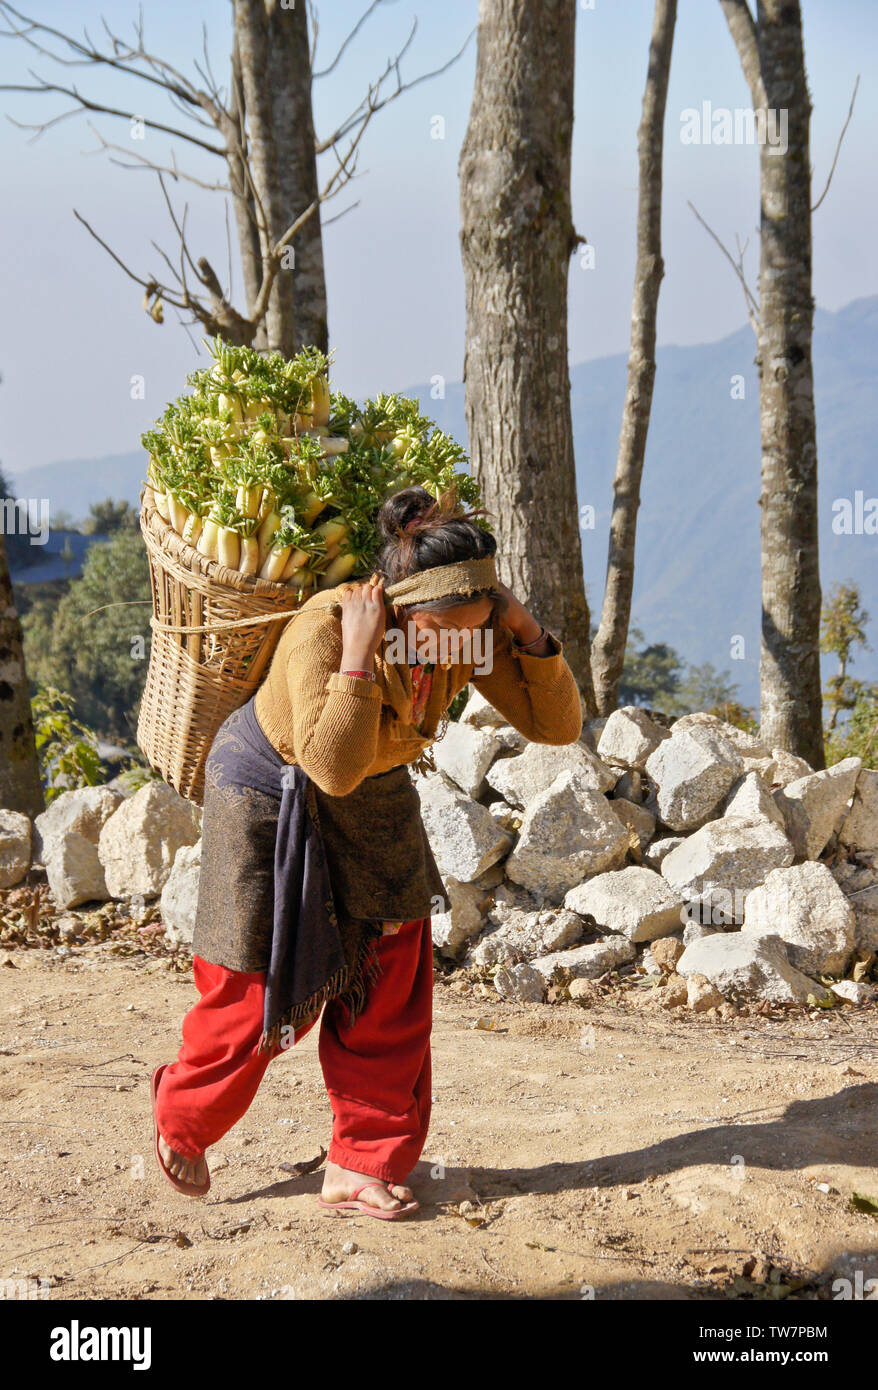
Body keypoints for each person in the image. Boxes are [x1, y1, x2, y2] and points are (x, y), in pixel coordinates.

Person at [151, 486, 582, 1218]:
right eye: (445, 632)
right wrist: (357, 654)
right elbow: (333, 766)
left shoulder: (459, 632)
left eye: (473, 630)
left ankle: (360, 1164)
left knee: (391, 974)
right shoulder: (327, 629)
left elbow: (555, 724)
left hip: (373, 790)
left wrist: (520, 626)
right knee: (253, 982)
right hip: (269, 788)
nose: (459, 649)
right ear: (403, 608)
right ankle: (182, 1119)